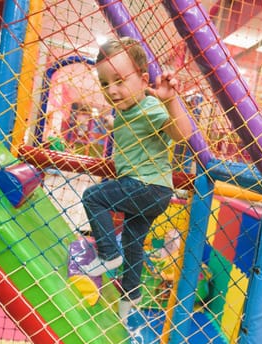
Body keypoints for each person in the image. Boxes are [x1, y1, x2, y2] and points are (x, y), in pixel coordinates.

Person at [78, 37, 193, 323]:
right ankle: (130, 297)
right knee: (133, 241)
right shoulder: (125, 112)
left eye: (119, 80)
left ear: (143, 80)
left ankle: (107, 254)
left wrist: (170, 101)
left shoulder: (151, 107)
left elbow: (183, 134)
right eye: (105, 84)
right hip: (149, 191)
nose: (112, 90)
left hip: (147, 187)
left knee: (94, 197)